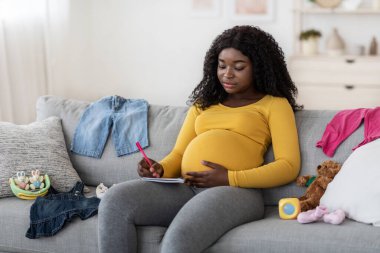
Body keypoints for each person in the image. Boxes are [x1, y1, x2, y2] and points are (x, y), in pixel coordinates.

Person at [98, 25, 301, 253]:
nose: (227, 73)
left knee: (177, 239)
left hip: (237, 192)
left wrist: (229, 177)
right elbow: (179, 154)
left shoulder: (274, 105)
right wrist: (160, 169)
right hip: (185, 188)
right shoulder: (203, 104)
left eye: (239, 67)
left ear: (259, 68)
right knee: (115, 200)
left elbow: (288, 166)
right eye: (222, 66)